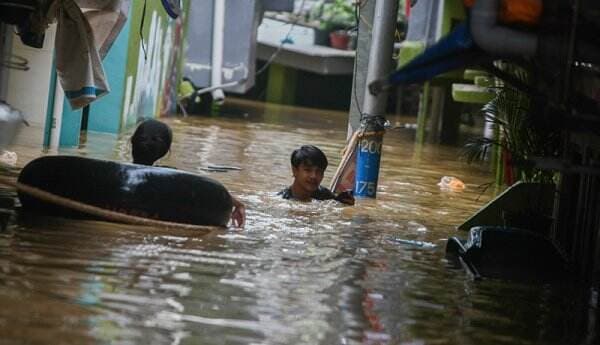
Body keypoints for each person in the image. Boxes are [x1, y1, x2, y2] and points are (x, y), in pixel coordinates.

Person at [131, 119, 246, 227]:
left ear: (132, 141)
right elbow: (206, 189)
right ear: (165, 151)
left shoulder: (115, 176)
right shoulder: (174, 178)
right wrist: (238, 204)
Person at [279, 145, 354, 205]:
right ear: (295, 171)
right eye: (308, 170)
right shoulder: (282, 200)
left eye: (319, 171)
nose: (314, 176)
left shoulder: (325, 196)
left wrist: (345, 205)